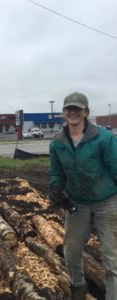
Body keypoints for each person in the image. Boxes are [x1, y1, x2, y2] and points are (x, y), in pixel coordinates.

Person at [49, 92, 117, 300]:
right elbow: (56, 172)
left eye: (77, 109)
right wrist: (55, 191)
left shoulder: (104, 139)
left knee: (111, 257)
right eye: (69, 109)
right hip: (77, 203)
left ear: (86, 112)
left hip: (106, 202)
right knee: (71, 249)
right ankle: (78, 287)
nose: (73, 113)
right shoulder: (57, 142)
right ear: (63, 113)